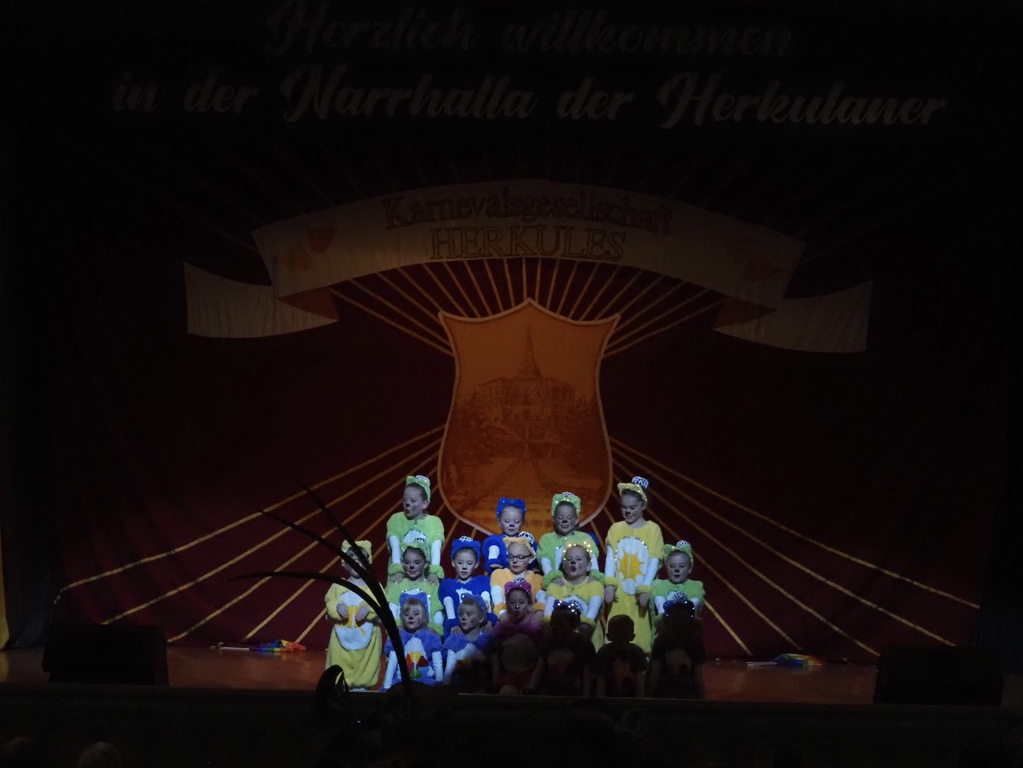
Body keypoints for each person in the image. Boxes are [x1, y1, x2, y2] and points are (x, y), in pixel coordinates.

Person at [603, 476, 663, 653]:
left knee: (641, 631)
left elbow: (654, 559)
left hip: (640, 593)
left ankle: (642, 658)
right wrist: (609, 584)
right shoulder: (615, 529)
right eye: (624, 507)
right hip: (620, 592)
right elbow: (610, 558)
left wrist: (645, 588)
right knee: (617, 629)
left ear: (643, 505)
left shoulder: (652, 529)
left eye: (632, 507)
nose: (627, 511)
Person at [323, 539, 383, 690]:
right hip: (341, 642)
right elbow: (329, 606)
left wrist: (369, 608)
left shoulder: (374, 587)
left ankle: (361, 686)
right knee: (339, 676)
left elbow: (383, 611)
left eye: (360, 559)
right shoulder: (338, 586)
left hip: (367, 643)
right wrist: (337, 606)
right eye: (352, 558)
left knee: (364, 673)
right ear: (345, 562)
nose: (356, 562)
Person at [543, 542, 605, 647]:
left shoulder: (595, 585)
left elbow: (591, 614)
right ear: (564, 565)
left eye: (578, 559)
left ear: (588, 566)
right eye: (569, 559)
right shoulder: (556, 585)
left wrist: (586, 623)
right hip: (560, 641)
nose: (573, 562)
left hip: (588, 641)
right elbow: (548, 614)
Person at [386, 475, 444, 584]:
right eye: (404, 500)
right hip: (400, 578)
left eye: (413, 500)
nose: (407, 504)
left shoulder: (434, 522)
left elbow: (435, 550)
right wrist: (398, 571)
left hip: (425, 579)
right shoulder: (396, 520)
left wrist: (433, 572)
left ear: (425, 504)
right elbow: (395, 547)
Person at [529, 602, 596, 696]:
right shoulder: (548, 642)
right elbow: (540, 666)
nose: (554, 627)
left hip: (575, 692)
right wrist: (532, 687)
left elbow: (587, 672)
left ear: (574, 625)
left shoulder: (583, 644)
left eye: (560, 624)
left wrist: (586, 696)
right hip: (550, 692)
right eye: (552, 623)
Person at [537, 491, 601, 587]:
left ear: (576, 520)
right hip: (556, 585)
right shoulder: (547, 539)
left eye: (569, 518)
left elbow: (592, 559)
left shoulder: (585, 538)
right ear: (554, 519)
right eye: (560, 517)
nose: (565, 521)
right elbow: (545, 561)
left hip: (583, 584)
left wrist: (594, 576)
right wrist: (553, 578)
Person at [489, 581, 544, 694]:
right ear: (507, 605)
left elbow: (542, 655)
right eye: (512, 602)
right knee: (506, 692)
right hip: (509, 673)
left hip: (530, 672)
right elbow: (494, 653)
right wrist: (496, 680)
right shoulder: (502, 626)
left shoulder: (535, 625)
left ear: (529, 604)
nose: (517, 606)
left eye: (521, 602)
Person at [381, 595, 444, 690]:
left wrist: (439, 686)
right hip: (402, 682)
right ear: (402, 617)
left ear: (423, 616)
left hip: (425, 682)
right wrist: (387, 686)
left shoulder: (431, 636)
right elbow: (392, 662)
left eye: (416, 614)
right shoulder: (399, 636)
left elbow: (437, 662)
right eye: (407, 614)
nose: (410, 617)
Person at [647, 599, 706, 699]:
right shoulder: (662, 642)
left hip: (681, 697)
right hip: (666, 696)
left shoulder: (694, 643)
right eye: (675, 620)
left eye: (682, 620)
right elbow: (698, 680)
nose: (678, 624)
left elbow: (654, 676)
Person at [438, 537, 497, 637]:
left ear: (476, 564)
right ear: (453, 562)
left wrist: (488, 620)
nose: (464, 567)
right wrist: (453, 624)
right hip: (457, 631)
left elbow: (485, 600)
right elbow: (448, 603)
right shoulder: (448, 585)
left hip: (478, 629)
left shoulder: (481, 583)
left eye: (469, 563)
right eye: (460, 563)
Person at [386, 541, 444, 634]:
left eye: (417, 562)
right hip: (401, 634)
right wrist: (397, 625)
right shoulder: (397, 585)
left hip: (427, 635)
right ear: (402, 563)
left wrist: (434, 628)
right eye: (407, 562)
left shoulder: (432, 587)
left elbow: (437, 611)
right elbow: (392, 608)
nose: (411, 566)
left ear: (425, 564)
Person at [442, 594, 495, 692]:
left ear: (480, 618)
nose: (463, 617)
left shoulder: (487, 639)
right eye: (461, 614)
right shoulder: (455, 639)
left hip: (481, 683)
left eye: (469, 614)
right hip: (459, 685)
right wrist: (445, 687)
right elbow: (450, 666)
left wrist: (496, 685)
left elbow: (494, 664)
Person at [591, 614, 647, 698]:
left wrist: (640, 702)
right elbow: (600, 684)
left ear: (632, 637)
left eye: (625, 635)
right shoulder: (604, 653)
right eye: (617, 635)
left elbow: (640, 684)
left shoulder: (636, 653)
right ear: (609, 636)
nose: (621, 639)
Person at [490, 538, 545, 622]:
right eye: (511, 557)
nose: (515, 561)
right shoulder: (499, 574)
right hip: (505, 619)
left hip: (529, 621)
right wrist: (502, 613)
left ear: (530, 558)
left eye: (520, 557)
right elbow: (496, 594)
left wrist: (540, 611)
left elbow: (541, 596)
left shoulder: (536, 578)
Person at [652, 540, 706, 624]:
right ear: (666, 568)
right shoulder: (658, 585)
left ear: (690, 568)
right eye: (672, 566)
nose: (676, 569)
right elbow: (660, 607)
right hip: (664, 629)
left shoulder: (696, 586)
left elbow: (694, 607)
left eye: (681, 566)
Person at [482, 498, 536, 573]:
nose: (512, 524)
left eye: (516, 521)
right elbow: (492, 556)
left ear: (522, 523)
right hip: (501, 576)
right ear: (499, 523)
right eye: (507, 521)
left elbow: (532, 560)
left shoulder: (525, 540)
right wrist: (493, 563)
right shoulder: (495, 541)